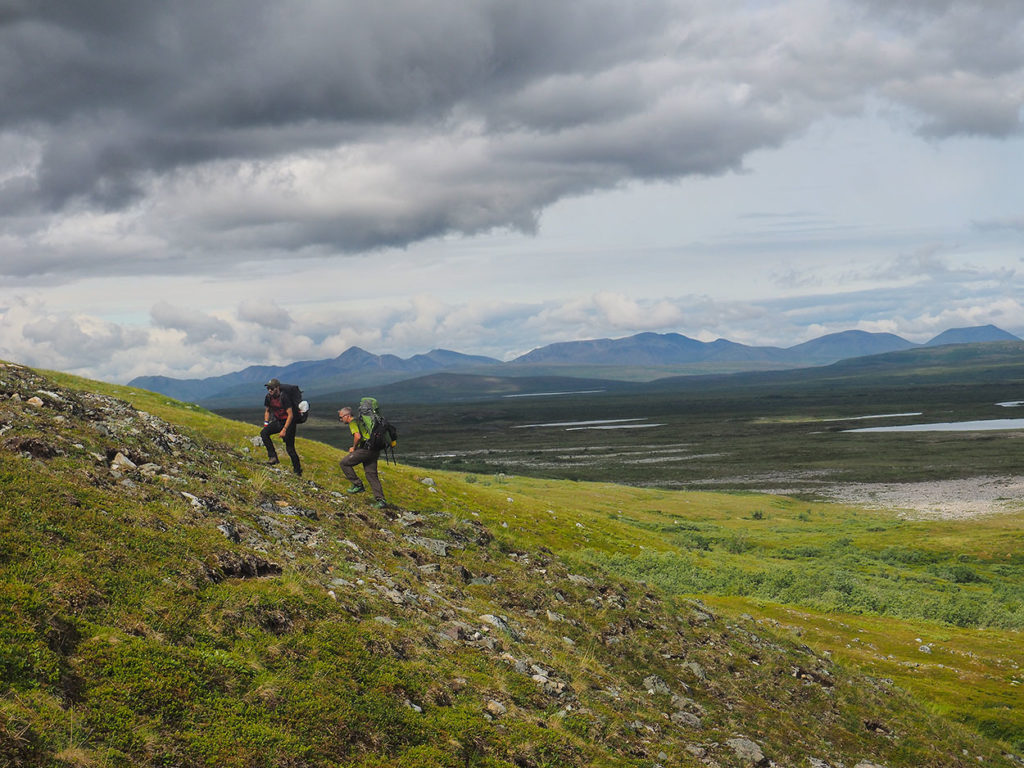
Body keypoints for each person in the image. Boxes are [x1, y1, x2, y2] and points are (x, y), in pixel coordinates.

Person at [338, 406, 386, 508]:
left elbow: (358, 436)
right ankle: (381, 500)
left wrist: (353, 448)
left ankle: (357, 485)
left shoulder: (353, 422)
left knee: (344, 463)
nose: (340, 419)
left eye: (341, 417)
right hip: (374, 450)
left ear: (347, 416)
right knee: (372, 475)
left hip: (365, 450)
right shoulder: (362, 421)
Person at [261, 378, 302, 476]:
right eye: (268, 388)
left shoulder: (284, 397)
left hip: (289, 423)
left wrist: (284, 429)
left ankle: (297, 471)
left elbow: (290, 415)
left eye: (272, 388)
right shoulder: (268, 397)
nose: (270, 390)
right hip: (278, 421)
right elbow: (267, 411)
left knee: (290, 448)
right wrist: (266, 424)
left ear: (277, 388)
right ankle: (273, 457)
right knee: (264, 433)